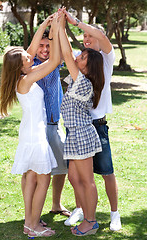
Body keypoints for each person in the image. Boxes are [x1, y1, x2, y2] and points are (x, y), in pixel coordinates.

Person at [0, 14, 61, 237]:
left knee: (35, 177)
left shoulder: (25, 75)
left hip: (31, 132)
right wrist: (54, 32)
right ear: (22, 64)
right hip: (34, 135)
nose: (31, 55)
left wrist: (45, 24)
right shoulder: (26, 80)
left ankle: (30, 223)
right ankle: (32, 226)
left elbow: (33, 49)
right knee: (43, 177)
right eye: (27, 56)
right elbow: (54, 62)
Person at [63, 10, 122, 231]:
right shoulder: (83, 61)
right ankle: (82, 209)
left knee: (106, 171)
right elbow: (69, 56)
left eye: (91, 37)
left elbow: (101, 37)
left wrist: (76, 22)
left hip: (97, 125)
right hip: (77, 126)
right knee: (75, 175)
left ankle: (114, 214)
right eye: (85, 38)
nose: (87, 40)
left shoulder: (106, 58)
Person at [58, 11, 105, 236]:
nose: (78, 58)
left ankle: (91, 221)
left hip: (82, 134)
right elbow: (67, 52)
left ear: (88, 66)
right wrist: (59, 26)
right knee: (74, 177)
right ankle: (86, 213)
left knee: (87, 180)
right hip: (74, 134)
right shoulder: (78, 78)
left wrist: (61, 24)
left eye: (82, 57)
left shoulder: (84, 82)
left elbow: (67, 54)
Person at [33, 29, 70, 217]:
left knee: (62, 166)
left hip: (55, 123)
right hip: (38, 125)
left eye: (48, 45)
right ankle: (33, 213)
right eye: (41, 45)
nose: (45, 49)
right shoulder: (29, 64)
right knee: (38, 171)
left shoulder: (55, 62)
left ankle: (56, 204)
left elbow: (63, 49)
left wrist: (57, 26)